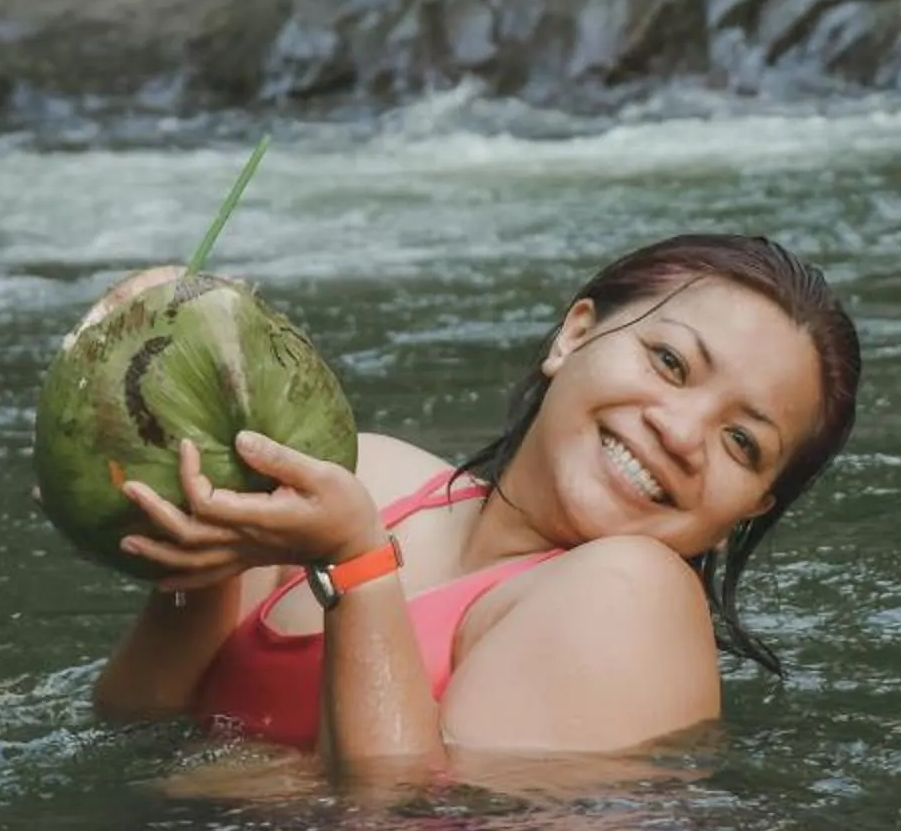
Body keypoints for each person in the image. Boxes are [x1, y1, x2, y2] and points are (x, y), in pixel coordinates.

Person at [89, 234, 861, 775]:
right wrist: (197, 542)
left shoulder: (631, 593)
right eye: (669, 362)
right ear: (574, 335)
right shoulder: (375, 478)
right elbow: (136, 723)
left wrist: (357, 566)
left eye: (742, 443)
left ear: (752, 508)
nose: (683, 431)